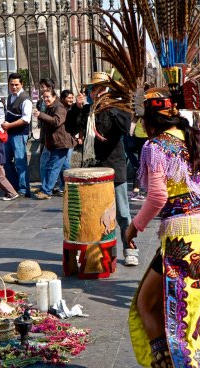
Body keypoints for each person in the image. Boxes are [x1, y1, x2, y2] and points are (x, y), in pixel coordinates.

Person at [126, 89, 200, 368]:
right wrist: (196, 184)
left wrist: (134, 226)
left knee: (153, 305)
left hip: (183, 238)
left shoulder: (155, 147)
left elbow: (157, 197)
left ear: (150, 121)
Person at [79, 72, 139, 267]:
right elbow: (72, 127)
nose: (95, 93)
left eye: (99, 89)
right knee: (94, 212)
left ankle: (130, 249)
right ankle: (98, 251)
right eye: (92, 89)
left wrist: (109, 107)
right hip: (93, 167)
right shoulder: (87, 110)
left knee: (122, 213)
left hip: (114, 167)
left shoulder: (117, 108)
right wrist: (76, 109)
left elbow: (125, 128)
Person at [33, 87, 75, 199]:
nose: (46, 99)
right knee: (64, 168)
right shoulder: (49, 107)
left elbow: (56, 121)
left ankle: (46, 191)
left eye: (48, 97)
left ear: (54, 97)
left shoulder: (59, 107)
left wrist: (40, 115)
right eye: (44, 97)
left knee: (53, 167)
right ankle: (70, 188)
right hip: (55, 143)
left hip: (61, 143)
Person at [2, 72, 32, 198]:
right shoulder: (9, 98)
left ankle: (24, 189)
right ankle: (14, 186)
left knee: (20, 162)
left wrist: (9, 125)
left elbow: (26, 120)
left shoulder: (26, 99)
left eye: (16, 85)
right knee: (6, 161)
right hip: (9, 134)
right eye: (11, 84)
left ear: (21, 84)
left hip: (19, 134)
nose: (14, 87)